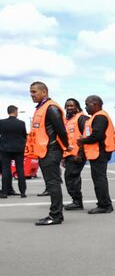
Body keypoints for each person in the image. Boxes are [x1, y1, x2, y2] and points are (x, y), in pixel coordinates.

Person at [25, 82, 70, 225]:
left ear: (44, 92)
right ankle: (56, 214)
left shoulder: (50, 108)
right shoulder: (42, 108)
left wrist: (67, 146)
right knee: (52, 184)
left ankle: (55, 216)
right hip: (45, 151)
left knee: (53, 183)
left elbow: (61, 130)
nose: (31, 95)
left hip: (51, 151)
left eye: (34, 92)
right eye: (30, 92)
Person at [77, 95, 115, 214]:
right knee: (98, 179)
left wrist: (82, 141)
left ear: (95, 104)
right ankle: (103, 203)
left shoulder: (100, 116)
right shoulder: (95, 117)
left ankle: (104, 205)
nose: (85, 107)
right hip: (96, 152)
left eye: (87, 104)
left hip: (99, 152)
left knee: (99, 179)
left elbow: (98, 135)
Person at [62, 99, 89, 210]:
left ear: (77, 106)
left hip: (77, 155)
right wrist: (63, 157)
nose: (69, 108)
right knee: (70, 177)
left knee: (71, 177)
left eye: (72, 105)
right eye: (67, 106)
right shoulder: (67, 120)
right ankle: (76, 201)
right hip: (69, 154)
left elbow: (86, 137)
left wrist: (80, 154)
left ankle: (77, 202)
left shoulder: (82, 118)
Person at [0, 105, 28, 198]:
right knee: (20, 169)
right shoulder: (21, 123)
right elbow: (24, 135)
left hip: (5, 149)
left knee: (5, 170)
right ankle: (23, 192)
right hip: (18, 149)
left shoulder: (2, 122)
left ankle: (4, 192)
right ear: (15, 112)